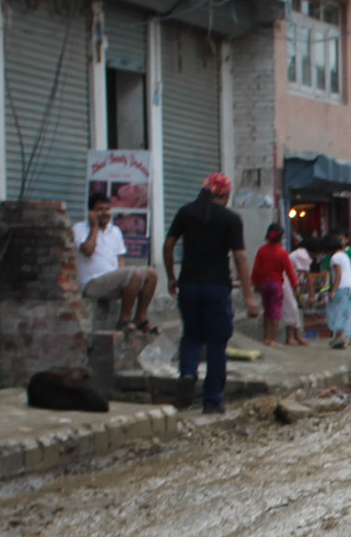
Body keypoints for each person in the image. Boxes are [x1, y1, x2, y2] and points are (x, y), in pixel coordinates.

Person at [162, 171, 258, 414]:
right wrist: (248, 296)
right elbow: (240, 257)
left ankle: (187, 373)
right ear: (225, 194)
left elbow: (168, 244)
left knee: (191, 335)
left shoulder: (186, 212)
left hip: (189, 286)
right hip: (217, 288)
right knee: (216, 343)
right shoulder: (230, 219)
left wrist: (172, 277)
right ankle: (212, 399)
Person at [76, 189, 159, 332]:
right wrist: (95, 227)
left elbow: (120, 259)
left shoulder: (115, 231)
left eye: (107, 209)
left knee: (151, 274)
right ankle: (123, 320)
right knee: (135, 273)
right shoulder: (80, 228)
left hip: (112, 283)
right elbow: (88, 251)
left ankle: (140, 318)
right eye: (99, 210)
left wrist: (127, 280)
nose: (104, 213)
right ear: (91, 212)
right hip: (91, 284)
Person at [252, 222, 299, 348]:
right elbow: (289, 270)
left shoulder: (261, 251)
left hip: (264, 284)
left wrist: (255, 283)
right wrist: (295, 284)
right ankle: (273, 339)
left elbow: (256, 269)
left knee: (267, 311)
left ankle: (266, 338)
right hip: (276, 284)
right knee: (276, 312)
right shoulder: (282, 252)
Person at [325, 230, 351, 348]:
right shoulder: (344, 255)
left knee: (337, 313)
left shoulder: (334, 258)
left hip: (342, 288)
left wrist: (333, 290)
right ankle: (345, 340)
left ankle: (340, 337)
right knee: (348, 313)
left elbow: (338, 275)